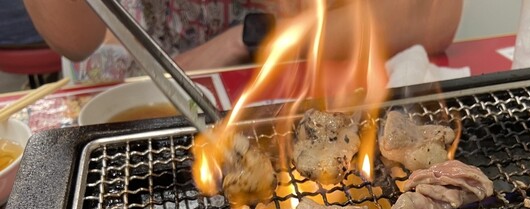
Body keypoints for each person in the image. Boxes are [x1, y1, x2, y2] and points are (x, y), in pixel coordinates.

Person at [23, 0, 463, 83]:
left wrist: (256, 35)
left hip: (278, 90)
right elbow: (75, 40)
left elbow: (433, 17)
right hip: (130, 100)